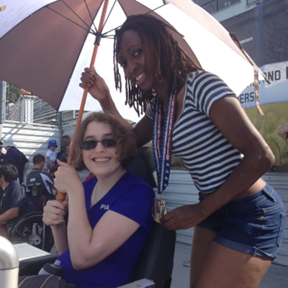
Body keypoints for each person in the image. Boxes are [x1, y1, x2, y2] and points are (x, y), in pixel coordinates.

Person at [80, 14, 286, 288]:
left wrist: (201, 209)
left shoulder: (201, 85)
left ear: (161, 45)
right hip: (213, 209)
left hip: (250, 212)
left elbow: (261, 156)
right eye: (124, 63)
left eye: (136, 53)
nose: (130, 69)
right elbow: (127, 141)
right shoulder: (159, 107)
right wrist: (104, 97)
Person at [43, 112, 154, 288]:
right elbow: (68, 253)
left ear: (123, 146)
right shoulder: (86, 188)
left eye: (109, 141)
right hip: (61, 280)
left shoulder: (137, 193)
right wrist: (57, 224)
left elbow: (82, 258)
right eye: (89, 143)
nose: (99, 149)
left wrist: (73, 189)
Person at [0, 162, 25, 235]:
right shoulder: (6, 189)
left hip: (13, 223)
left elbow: (14, 212)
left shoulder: (14, 186)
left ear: (2, 177)